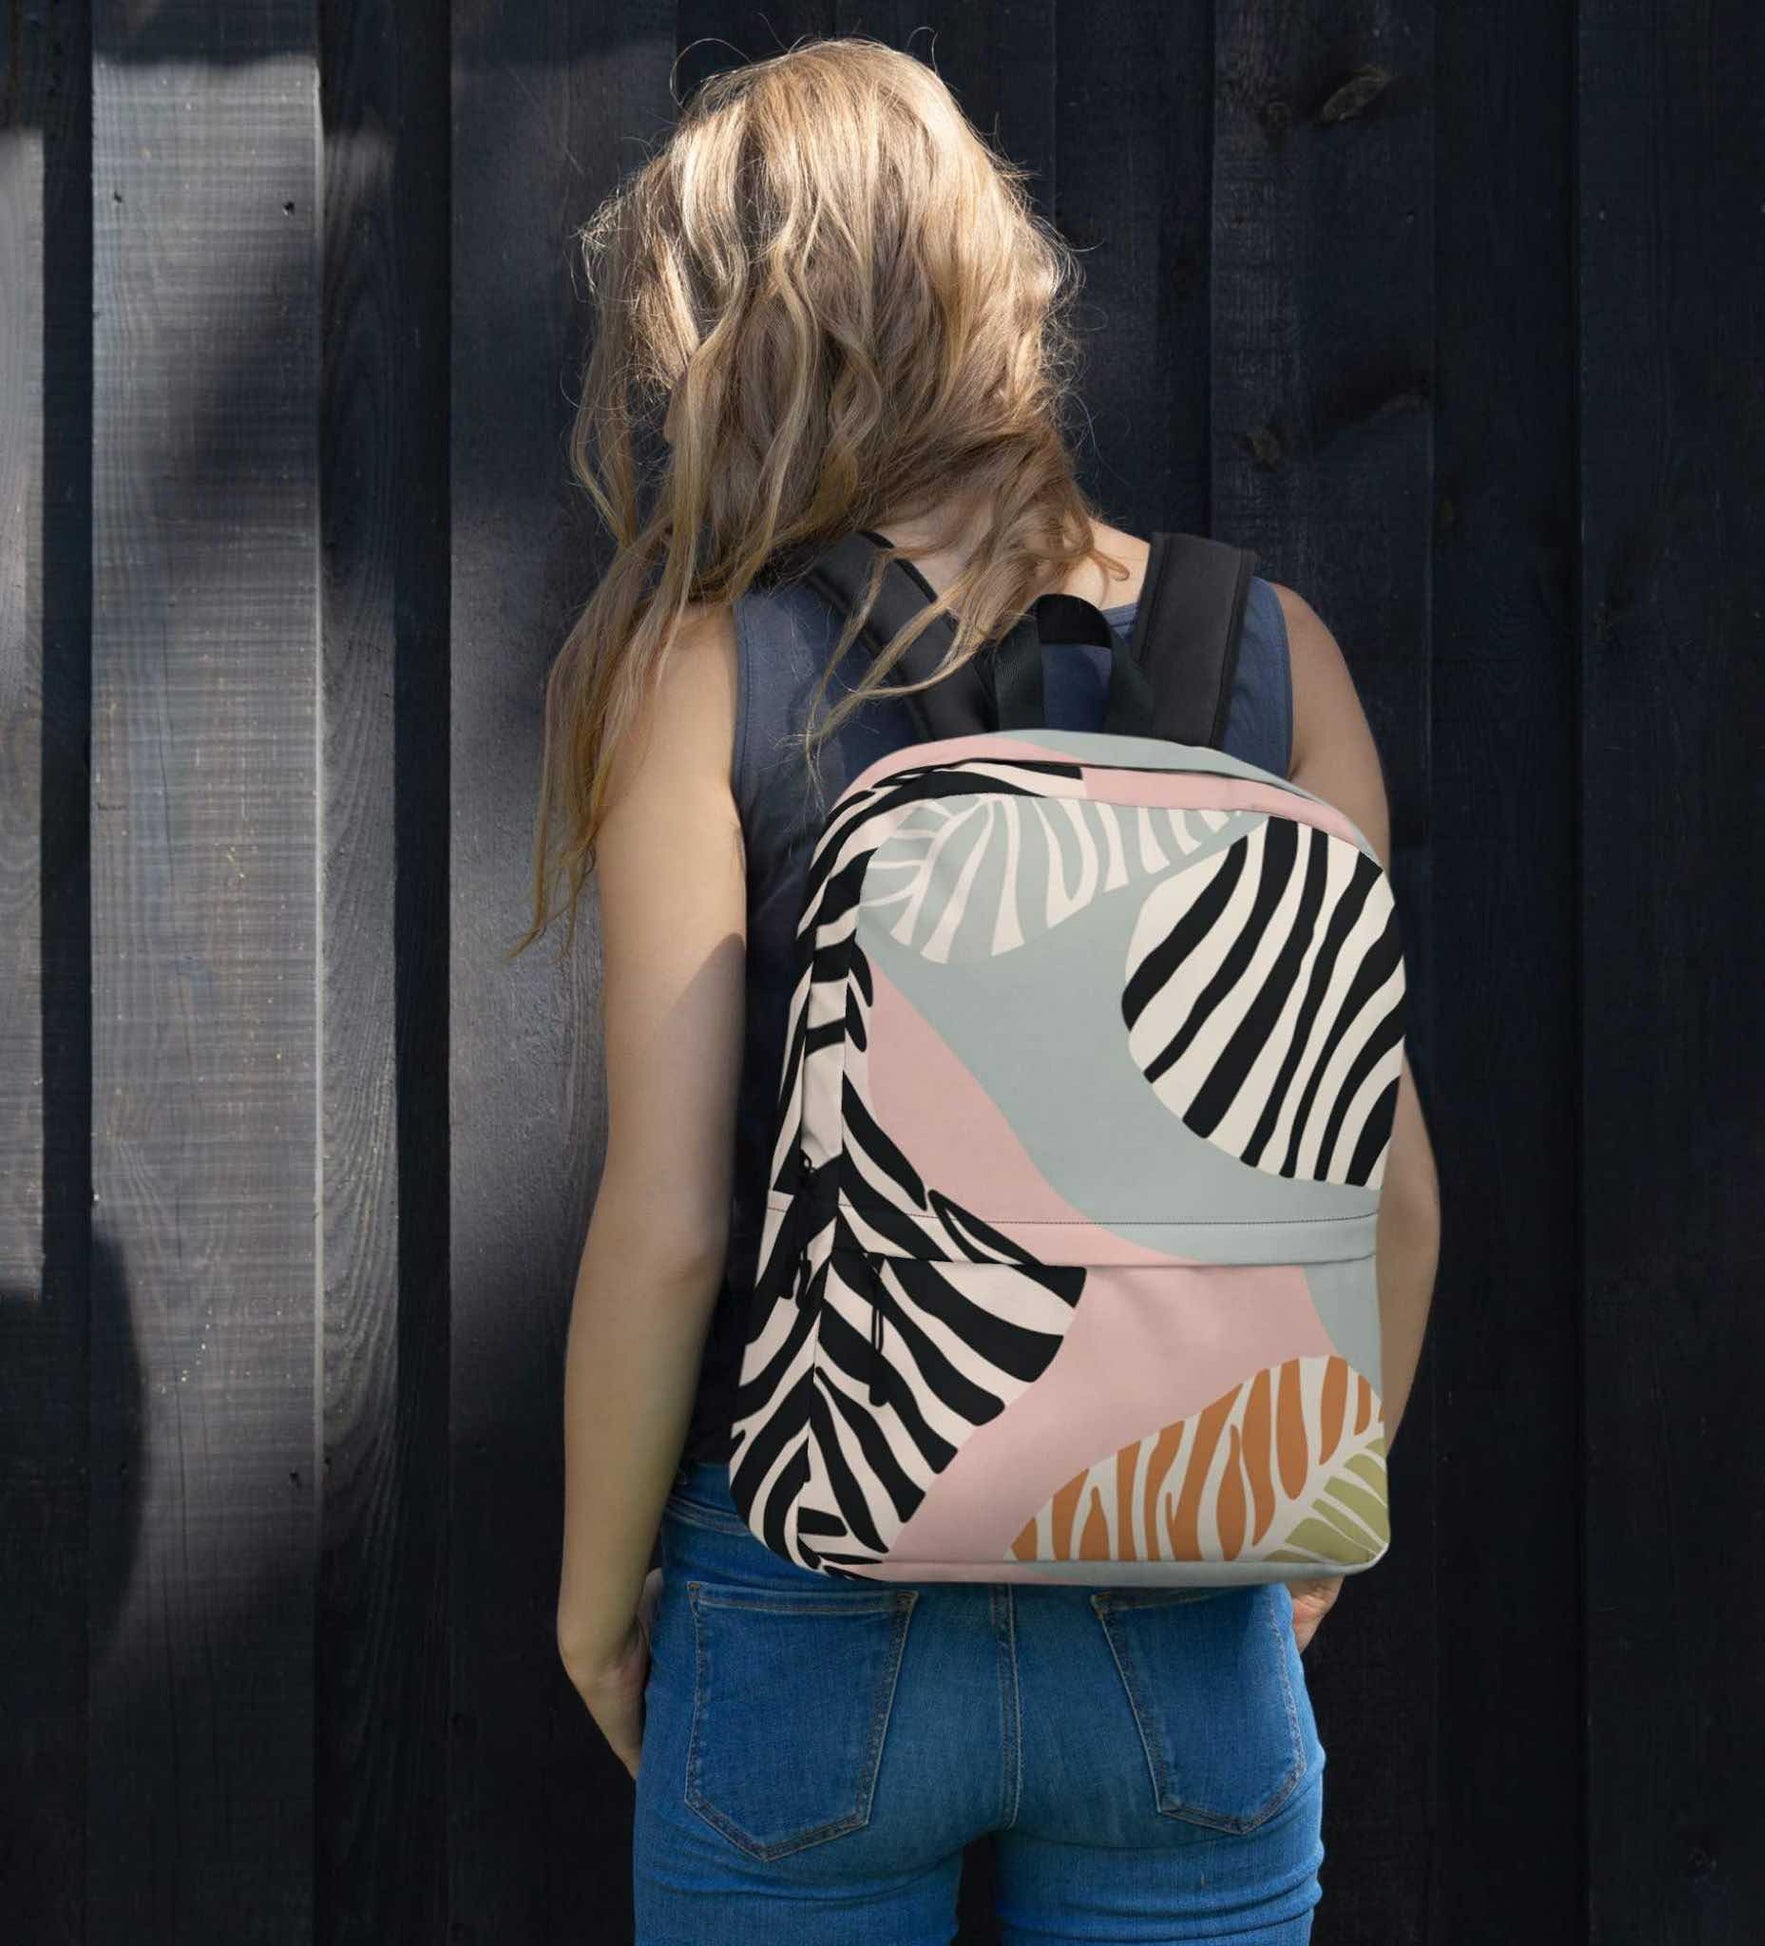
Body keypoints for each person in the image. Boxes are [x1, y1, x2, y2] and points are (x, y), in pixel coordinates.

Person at [525, 35, 1441, 1946]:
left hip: (805, 1581)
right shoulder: (1280, 654)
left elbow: (677, 1221)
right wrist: (1303, 1536)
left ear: (729, 342)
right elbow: (1391, 1194)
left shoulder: (708, 669)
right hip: (1185, 1594)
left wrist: (598, 1607)